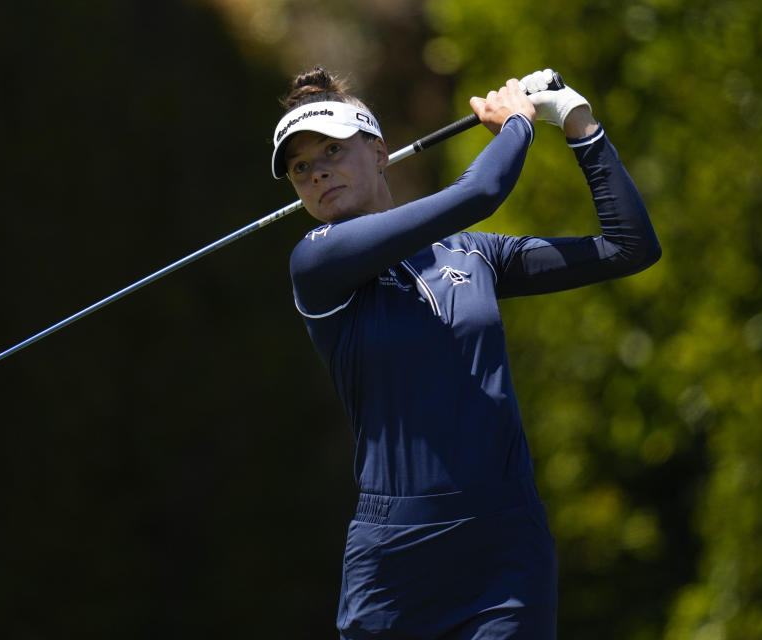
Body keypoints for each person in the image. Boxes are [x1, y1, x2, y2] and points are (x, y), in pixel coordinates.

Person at [271, 67, 661, 639]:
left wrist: (580, 125)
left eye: (333, 149)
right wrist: (517, 128)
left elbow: (628, 247)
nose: (318, 171)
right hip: (396, 558)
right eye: (301, 168)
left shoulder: (472, 256)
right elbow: (479, 193)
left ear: (380, 152)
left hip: (505, 549)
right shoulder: (316, 263)